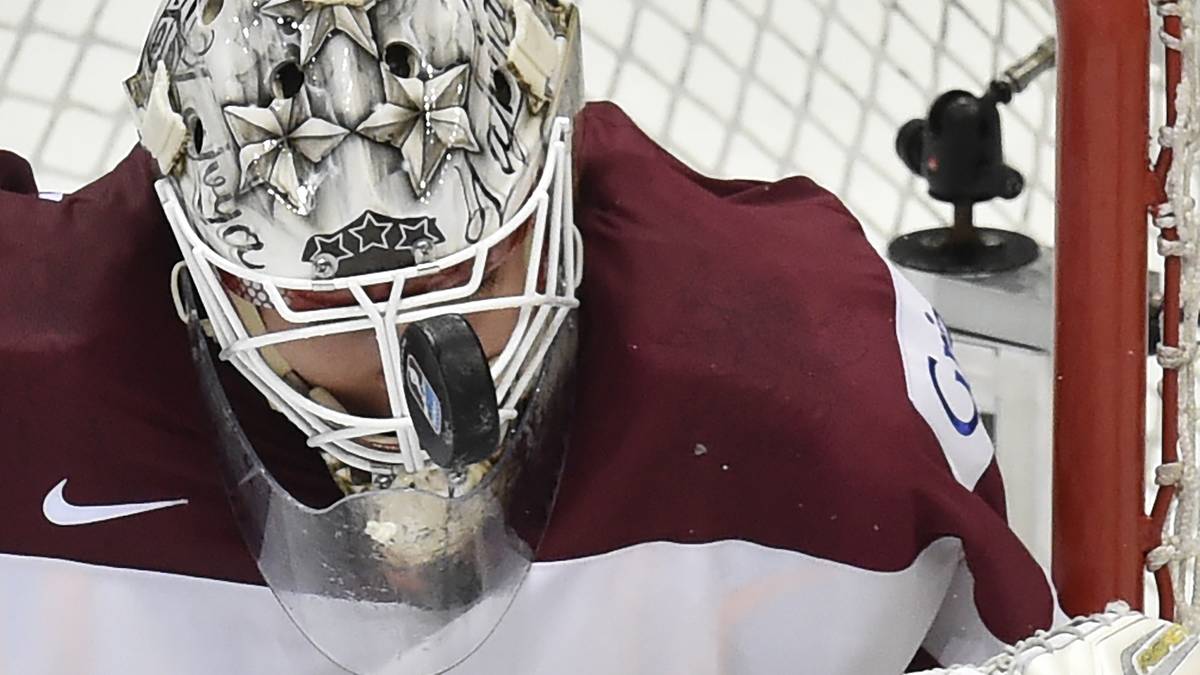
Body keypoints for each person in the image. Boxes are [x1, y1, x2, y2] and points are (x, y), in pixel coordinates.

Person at [0, 0, 1190, 673]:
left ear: (555, 186)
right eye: (316, 303)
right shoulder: (29, 386)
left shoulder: (813, 380)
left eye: (468, 270)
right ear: (199, 263)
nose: (408, 356)